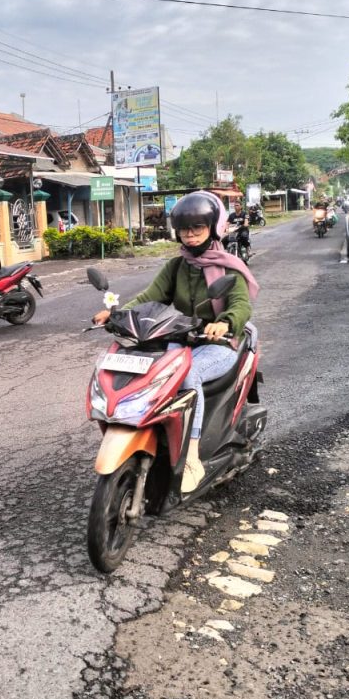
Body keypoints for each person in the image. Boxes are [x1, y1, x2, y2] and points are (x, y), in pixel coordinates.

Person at [92, 191, 257, 493]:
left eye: (197, 228)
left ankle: (192, 455)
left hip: (219, 345)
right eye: (184, 229)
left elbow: (240, 305)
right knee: (148, 368)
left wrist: (224, 323)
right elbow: (149, 296)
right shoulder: (176, 266)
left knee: (187, 373)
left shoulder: (229, 267)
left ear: (213, 228)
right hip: (181, 339)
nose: (190, 235)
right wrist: (117, 313)